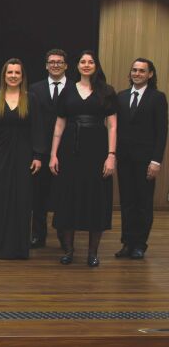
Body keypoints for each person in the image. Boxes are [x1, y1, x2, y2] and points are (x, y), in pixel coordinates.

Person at [49, 50, 118, 267]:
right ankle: (69, 250)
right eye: (82, 61)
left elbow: (113, 125)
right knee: (69, 197)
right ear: (77, 66)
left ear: (96, 66)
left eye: (90, 62)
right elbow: (59, 124)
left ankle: (92, 253)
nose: (86, 65)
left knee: (96, 199)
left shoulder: (107, 91)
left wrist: (111, 156)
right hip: (70, 151)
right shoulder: (67, 90)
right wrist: (53, 154)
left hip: (97, 151)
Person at [0, 59, 45, 259]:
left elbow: (38, 129)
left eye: (17, 73)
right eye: (10, 73)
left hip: (24, 156)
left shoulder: (31, 98)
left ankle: (19, 248)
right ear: (4, 76)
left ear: (22, 76)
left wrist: (38, 155)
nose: (14, 76)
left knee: (22, 200)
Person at [115, 58, 167, 259]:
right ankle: (127, 243)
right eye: (134, 70)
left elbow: (162, 132)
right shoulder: (121, 96)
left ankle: (139, 244)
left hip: (146, 160)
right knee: (127, 202)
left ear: (150, 74)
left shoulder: (158, 97)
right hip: (125, 159)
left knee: (143, 203)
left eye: (142, 71)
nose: (137, 73)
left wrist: (156, 161)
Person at [29, 49, 69, 249]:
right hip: (41, 151)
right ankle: (38, 234)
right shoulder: (34, 89)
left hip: (69, 150)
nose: (55, 65)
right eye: (51, 62)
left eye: (59, 62)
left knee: (65, 196)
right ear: (46, 65)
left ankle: (64, 236)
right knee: (39, 197)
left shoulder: (75, 87)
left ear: (66, 65)